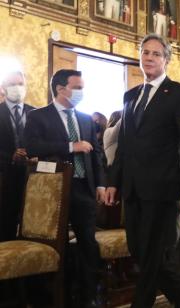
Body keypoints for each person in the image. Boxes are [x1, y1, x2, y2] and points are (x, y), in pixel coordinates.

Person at [105, 33, 180, 308]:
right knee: (139, 249)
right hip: (133, 187)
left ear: (166, 59)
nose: (149, 57)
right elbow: (124, 144)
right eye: (145, 52)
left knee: (151, 251)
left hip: (163, 186)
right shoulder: (130, 95)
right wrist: (114, 181)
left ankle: (142, 303)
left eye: (156, 53)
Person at [24, 69, 105, 307]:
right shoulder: (38, 116)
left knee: (88, 244)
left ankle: (89, 295)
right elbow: (32, 146)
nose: (81, 92)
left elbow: (97, 155)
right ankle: (53, 296)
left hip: (84, 188)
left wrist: (100, 183)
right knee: (54, 246)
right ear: (61, 89)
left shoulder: (85, 118)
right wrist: (71, 146)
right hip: (54, 191)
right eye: (77, 87)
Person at [0, 71, 35, 241]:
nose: (17, 88)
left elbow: (44, 142)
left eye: (20, 84)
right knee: (6, 224)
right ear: (3, 88)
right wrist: (10, 157)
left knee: (33, 223)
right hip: (4, 178)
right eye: (12, 84)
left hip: (34, 178)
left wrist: (36, 154)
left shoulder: (36, 113)